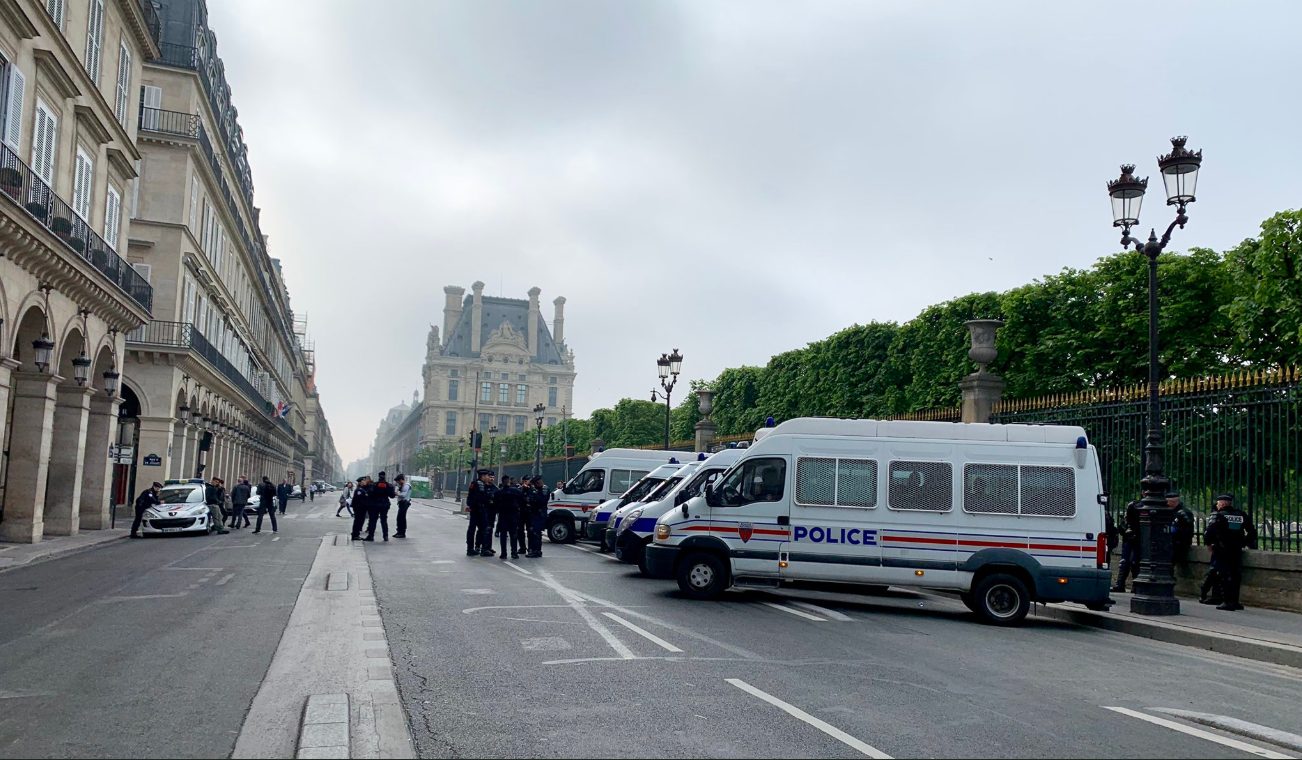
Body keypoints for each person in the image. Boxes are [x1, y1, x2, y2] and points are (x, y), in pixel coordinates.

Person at [1203, 493, 1256, 611]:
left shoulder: (1218, 515)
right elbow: (1252, 532)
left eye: (1218, 504)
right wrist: (1243, 542)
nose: (1217, 505)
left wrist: (1209, 544)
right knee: (1235, 575)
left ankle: (1226, 601)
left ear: (1221, 504)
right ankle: (1235, 601)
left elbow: (1209, 532)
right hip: (1236, 549)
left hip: (1221, 548)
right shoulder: (1241, 515)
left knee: (1223, 574)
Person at [1111, 498, 1142, 593]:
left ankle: (1134, 586)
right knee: (1125, 563)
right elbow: (1122, 528)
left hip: (1137, 541)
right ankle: (1121, 584)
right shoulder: (1129, 518)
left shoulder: (1140, 509)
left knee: (1134, 562)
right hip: (1129, 541)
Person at [466, 469, 497, 556]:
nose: (488, 477)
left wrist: (469, 505)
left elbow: (470, 496)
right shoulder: (480, 484)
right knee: (483, 529)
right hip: (479, 510)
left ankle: (472, 548)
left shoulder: (475, 483)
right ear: (483, 476)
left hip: (476, 510)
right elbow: (479, 497)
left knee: (474, 529)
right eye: (487, 476)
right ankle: (483, 549)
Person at [496, 476, 523, 560]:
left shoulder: (499, 492)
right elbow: (522, 500)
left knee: (503, 535)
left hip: (503, 515)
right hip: (513, 515)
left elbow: (495, 503)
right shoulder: (516, 491)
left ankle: (503, 553)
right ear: (509, 482)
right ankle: (514, 553)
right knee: (513, 534)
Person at [1168, 490, 1195, 569]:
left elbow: (1188, 529)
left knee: (1170, 564)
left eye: (1168, 502)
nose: (1166, 504)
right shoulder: (1170, 511)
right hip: (1170, 543)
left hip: (1179, 544)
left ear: (1173, 502)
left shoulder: (1184, 512)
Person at [366, 471, 396, 541]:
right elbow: (392, 496)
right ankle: (385, 536)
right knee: (384, 520)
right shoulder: (389, 485)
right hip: (385, 504)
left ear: (378, 476)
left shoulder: (374, 485)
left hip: (375, 504)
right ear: (385, 476)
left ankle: (371, 536)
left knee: (373, 520)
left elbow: (370, 494)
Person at [525, 476, 549, 558]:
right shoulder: (534, 490)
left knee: (536, 533)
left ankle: (536, 550)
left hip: (539, 514)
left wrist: (534, 495)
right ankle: (534, 549)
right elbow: (529, 499)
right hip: (534, 513)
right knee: (533, 532)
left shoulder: (544, 490)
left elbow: (541, 501)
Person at [350, 476, 372, 540]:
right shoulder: (359, 490)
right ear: (360, 482)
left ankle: (356, 534)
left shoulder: (362, 489)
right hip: (359, 508)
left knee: (359, 521)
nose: (365, 482)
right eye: (364, 481)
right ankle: (355, 535)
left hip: (361, 508)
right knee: (357, 521)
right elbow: (360, 500)